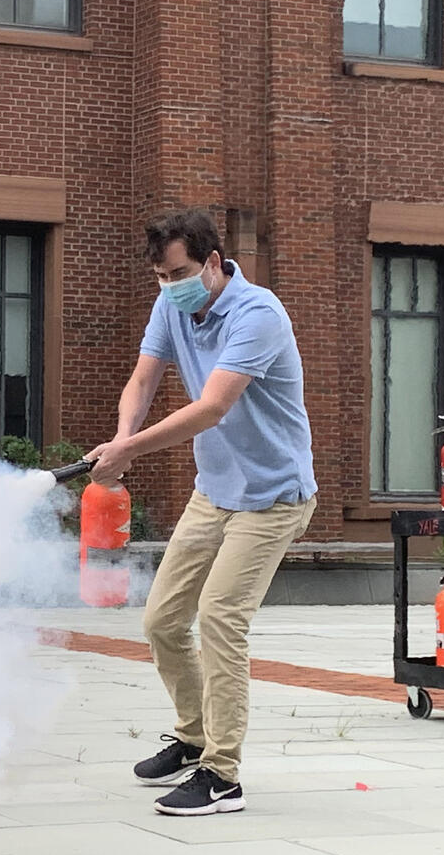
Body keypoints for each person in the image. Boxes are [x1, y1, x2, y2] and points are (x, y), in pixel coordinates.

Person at [88, 209, 316, 817]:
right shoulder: (172, 304)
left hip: (273, 497)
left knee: (219, 619)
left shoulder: (257, 315)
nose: (170, 286)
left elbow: (212, 406)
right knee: (162, 621)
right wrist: (122, 439)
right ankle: (193, 738)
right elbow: (141, 381)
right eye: (161, 277)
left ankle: (222, 775)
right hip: (214, 489)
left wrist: (128, 451)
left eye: (181, 273)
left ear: (213, 262)